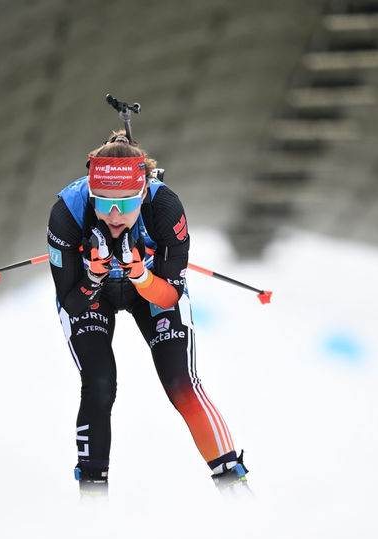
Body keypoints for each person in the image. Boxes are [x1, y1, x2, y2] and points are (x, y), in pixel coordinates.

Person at [46, 130, 251, 500]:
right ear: (89, 193)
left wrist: (140, 275)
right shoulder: (66, 211)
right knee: (99, 385)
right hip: (92, 295)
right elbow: (72, 303)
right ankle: (92, 498)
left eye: (124, 204)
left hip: (152, 287)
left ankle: (233, 482)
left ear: (143, 192)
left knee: (181, 382)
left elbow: (170, 294)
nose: (113, 215)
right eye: (102, 202)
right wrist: (93, 276)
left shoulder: (166, 207)